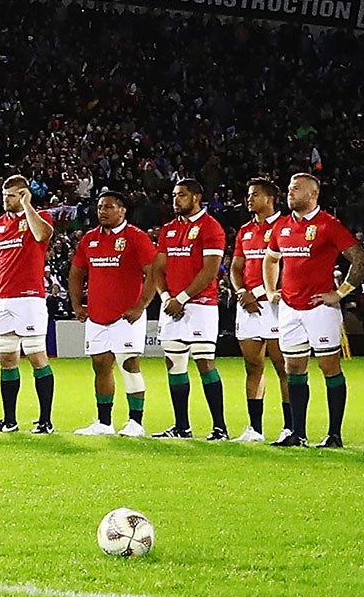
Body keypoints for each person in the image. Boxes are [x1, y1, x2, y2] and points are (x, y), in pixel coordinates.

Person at [263, 172, 364, 448]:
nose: (290, 193)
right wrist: (271, 289)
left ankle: (334, 434)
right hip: (289, 308)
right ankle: (298, 434)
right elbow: (271, 259)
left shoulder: (328, 225)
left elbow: (359, 259)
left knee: (328, 366)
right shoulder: (283, 226)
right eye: (289, 188)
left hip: (320, 308)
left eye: (296, 189)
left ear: (313, 194)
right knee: (294, 368)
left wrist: (340, 292)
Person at [68, 191, 158, 437]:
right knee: (100, 366)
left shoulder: (135, 237)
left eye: (108, 207)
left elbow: (154, 272)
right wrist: (77, 305)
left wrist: (141, 306)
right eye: (99, 207)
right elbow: (77, 272)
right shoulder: (89, 239)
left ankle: (135, 422)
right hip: (97, 315)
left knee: (129, 363)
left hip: (126, 315)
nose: (103, 211)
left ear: (122, 210)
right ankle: (104, 422)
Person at [151, 178, 228, 440]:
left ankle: (220, 427)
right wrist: (165, 298)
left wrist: (181, 298)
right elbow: (157, 269)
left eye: (181, 195)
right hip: (171, 306)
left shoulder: (211, 227)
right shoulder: (169, 229)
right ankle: (182, 427)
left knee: (205, 363)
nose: (176, 200)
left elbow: (210, 271)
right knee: (174, 364)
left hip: (201, 305)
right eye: (174, 195)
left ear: (197, 197)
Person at [0, 174, 56, 433]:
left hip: (29, 298)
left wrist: (28, 206)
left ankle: (46, 420)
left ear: (24, 194)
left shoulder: (40, 218)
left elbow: (42, 235)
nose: (6, 199)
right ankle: (9, 420)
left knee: (37, 358)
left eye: (12, 195)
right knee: (6, 360)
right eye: (4, 195)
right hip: (2, 299)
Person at [230, 176, 290, 442]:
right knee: (253, 367)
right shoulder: (245, 230)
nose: (249, 199)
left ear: (269, 198)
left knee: (283, 366)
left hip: (275, 305)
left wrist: (259, 293)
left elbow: (288, 268)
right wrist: (242, 291)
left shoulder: (286, 227)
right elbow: (235, 267)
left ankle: (290, 426)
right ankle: (255, 428)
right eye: (249, 194)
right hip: (248, 306)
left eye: (255, 194)